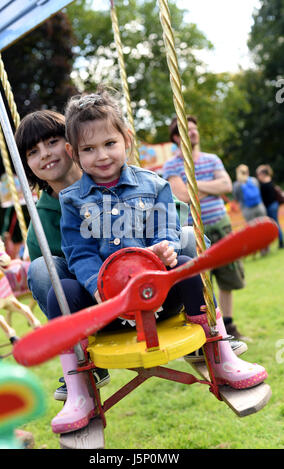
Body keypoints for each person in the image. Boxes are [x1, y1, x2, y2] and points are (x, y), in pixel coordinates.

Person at [46, 89, 267, 433]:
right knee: (60, 290)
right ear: (74, 153)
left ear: (127, 140)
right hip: (106, 308)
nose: (101, 155)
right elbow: (79, 252)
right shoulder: (72, 200)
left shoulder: (155, 184)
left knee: (185, 260)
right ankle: (79, 390)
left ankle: (220, 354)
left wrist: (163, 248)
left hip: (158, 297)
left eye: (109, 143)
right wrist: (95, 287)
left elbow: (166, 227)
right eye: (89, 149)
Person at [14, 110, 110, 401]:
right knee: (41, 268)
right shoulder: (40, 227)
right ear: (28, 166)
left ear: (70, 143)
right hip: (90, 311)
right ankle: (81, 359)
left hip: (138, 290)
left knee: (182, 234)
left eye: (52, 141)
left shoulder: (111, 177)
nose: (45, 154)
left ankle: (200, 326)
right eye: (33, 151)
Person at [162, 115, 246, 340]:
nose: (192, 133)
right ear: (175, 138)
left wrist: (193, 185)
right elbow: (181, 196)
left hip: (220, 225)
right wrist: (210, 187)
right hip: (193, 230)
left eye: (193, 129)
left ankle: (229, 325)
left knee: (228, 276)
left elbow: (226, 185)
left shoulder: (212, 159)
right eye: (185, 130)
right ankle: (207, 330)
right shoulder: (170, 165)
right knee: (199, 280)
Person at [256, 164, 283, 249]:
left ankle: (281, 242)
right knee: (276, 223)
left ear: (263, 174)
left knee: (275, 224)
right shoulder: (270, 181)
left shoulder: (264, 185)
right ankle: (280, 241)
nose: (258, 177)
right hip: (274, 204)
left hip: (270, 206)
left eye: (258, 174)